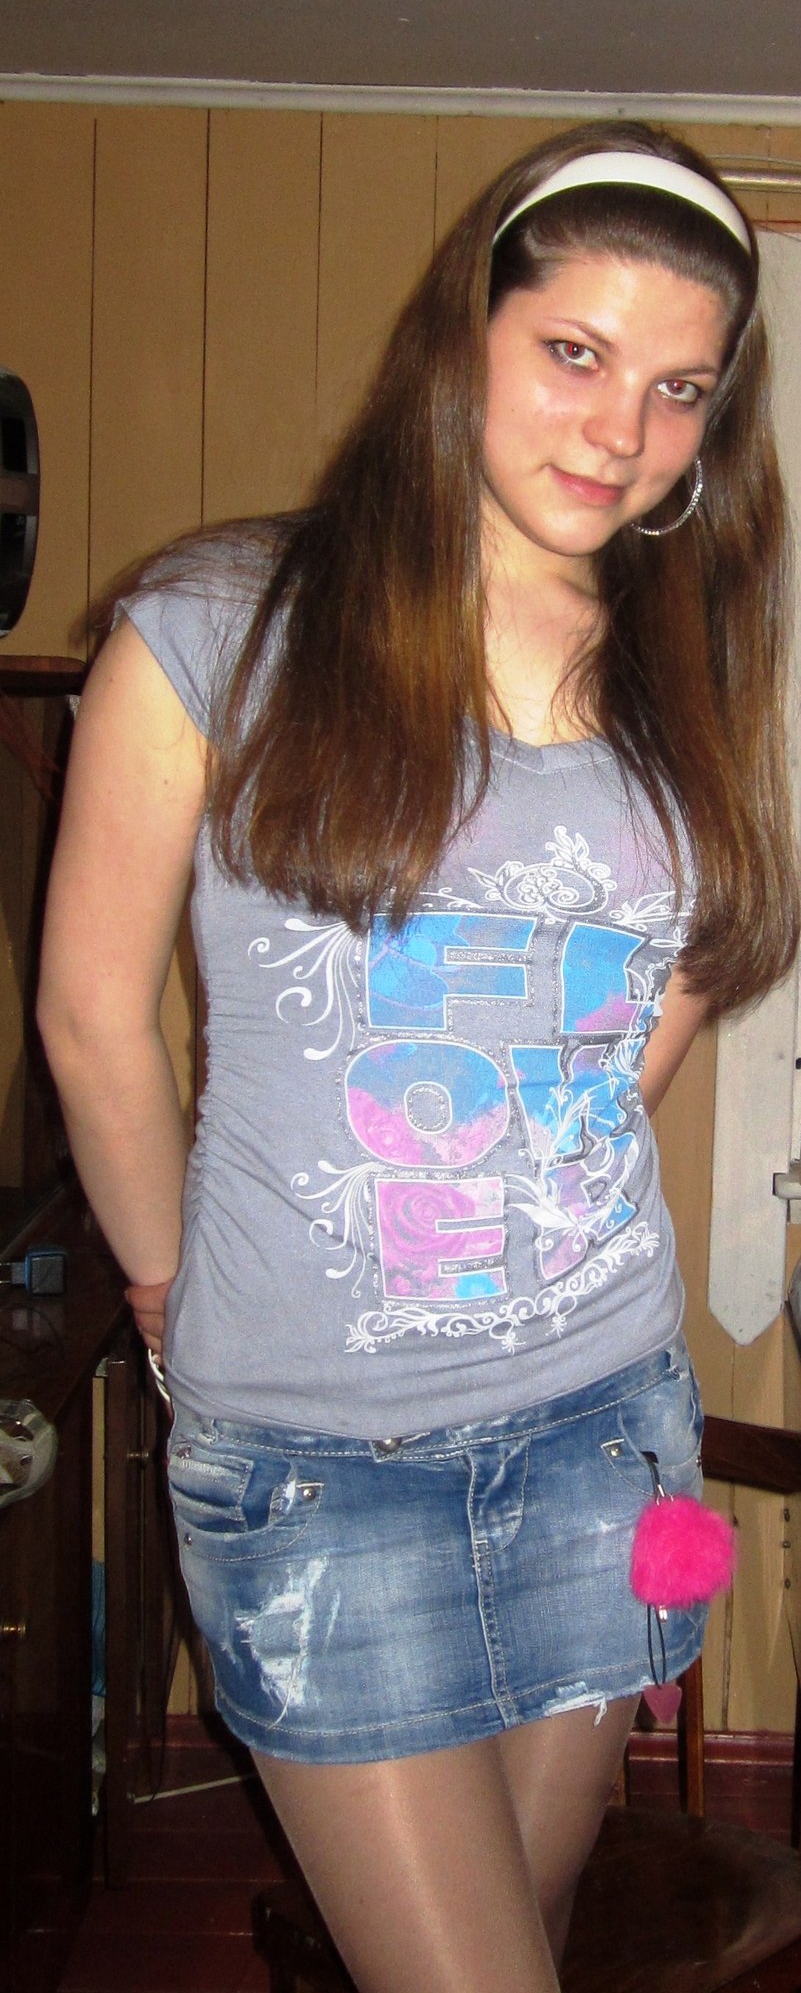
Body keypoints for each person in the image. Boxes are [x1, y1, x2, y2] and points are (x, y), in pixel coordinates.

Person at [38, 118, 799, 1993]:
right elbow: (89, 1010)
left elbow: (659, 1003)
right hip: (318, 1460)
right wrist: (169, 1286)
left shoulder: (680, 669)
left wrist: (546, 1179)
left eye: (679, 390)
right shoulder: (221, 626)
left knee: (525, 1933)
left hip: (602, 1422)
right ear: (464, 336)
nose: (619, 432)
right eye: (574, 354)